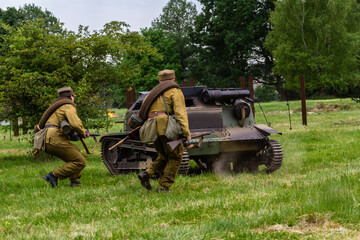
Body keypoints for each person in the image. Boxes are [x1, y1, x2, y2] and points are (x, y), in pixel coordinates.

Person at [138, 70, 191, 192]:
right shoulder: (175, 91)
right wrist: (186, 133)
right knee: (176, 156)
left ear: (160, 80)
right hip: (167, 128)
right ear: (173, 79)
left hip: (152, 128)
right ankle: (164, 186)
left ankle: (146, 173)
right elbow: (180, 113)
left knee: (163, 155)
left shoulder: (152, 93)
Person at [37, 87, 89, 187]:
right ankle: (53, 175)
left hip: (47, 138)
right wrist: (83, 133)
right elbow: (75, 124)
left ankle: (75, 181)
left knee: (76, 151)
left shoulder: (57, 106)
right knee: (80, 162)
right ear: (71, 97)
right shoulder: (68, 106)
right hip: (54, 137)